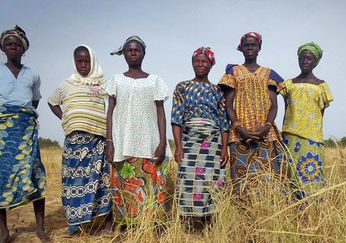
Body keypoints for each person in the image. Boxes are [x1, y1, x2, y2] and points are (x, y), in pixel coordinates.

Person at [48, 45, 112, 236]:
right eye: (79, 61)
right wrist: (66, 117)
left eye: (87, 61)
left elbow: (113, 106)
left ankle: (108, 223)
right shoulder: (66, 84)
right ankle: (74, 226)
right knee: (72, 183)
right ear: (75, 62)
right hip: (74, 143)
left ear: (92, 61)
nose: (83, 65)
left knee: (102, 181)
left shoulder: (103, 84)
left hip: (98, 141)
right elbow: (52, 102)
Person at [106, 36, 171, 226]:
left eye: (137, 50)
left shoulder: (155, 81)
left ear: (144, 53)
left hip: (149, 142)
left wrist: (162, 142)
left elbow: (161, 112)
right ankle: (124, 225)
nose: (133, 53)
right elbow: (110, 113)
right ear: (124, 53)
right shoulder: (116, 80)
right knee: (123, 186)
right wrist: (109, 142)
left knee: (151, 185)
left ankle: (151, 225)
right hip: (122, 142)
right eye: (129, 50)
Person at [171, 47, 230, 231]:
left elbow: (223, 121)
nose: (200, 64)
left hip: (213, 142)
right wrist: (179, 146)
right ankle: (188, 224)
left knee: (211, 181)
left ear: (211, 65)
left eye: (204, 61)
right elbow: (176, 118)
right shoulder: (183, 87)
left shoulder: (217, 91)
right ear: (192, 63)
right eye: (197, 61)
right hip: (189, 140)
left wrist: (224, 148)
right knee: (187, 179)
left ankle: (209, 222)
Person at [219, 32, 285, 192]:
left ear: (259, 48)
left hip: (265, 133)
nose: (250, 47)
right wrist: (239, 127)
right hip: (239, 133)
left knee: (268, 179)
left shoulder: (269, 74)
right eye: (246, 45)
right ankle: (243, 216)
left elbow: (274, 106)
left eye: (253, 45)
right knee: (241, 180)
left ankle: (266, 213)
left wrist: (267, 126)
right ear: (241, 48)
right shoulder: (233, 72)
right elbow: (228, 105)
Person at [0, 25, 49, 242]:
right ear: (3, 48)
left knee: (35, 173)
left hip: (26, 131)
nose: (12, 47)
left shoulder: (33, 75)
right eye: (8, 44)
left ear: (23, 49)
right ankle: (3, 231)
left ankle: (40, 227)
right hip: (2, 131)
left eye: (17, 44)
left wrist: (22, 116)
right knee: (1, 177)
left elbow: (35, 101)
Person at [279, 42, 333, 196]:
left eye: (309, 58)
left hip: (312, 139)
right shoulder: (288, 84)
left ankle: (312, 211)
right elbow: (286, 108)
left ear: (316, 61)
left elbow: (320, 114)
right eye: (302, 58)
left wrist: (312, 132)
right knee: (290, 177)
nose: (305, 61)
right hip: (290, 136)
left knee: (311, 176)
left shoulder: (321, 85)